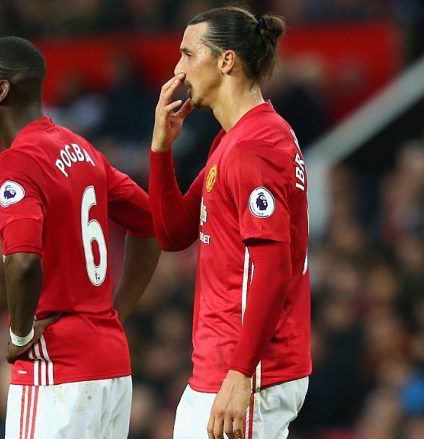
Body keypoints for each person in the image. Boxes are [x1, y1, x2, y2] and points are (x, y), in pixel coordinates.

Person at [0, 36, 160, 438]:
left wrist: (19, 335)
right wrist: (116, 313)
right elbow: (151, 223)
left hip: (56, 368)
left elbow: (23, 261)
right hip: (111, 367)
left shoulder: (16, 162)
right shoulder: (82, 150)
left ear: (1, 91)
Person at [148, 7, 311, 439]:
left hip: (249, 372)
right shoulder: (234, 139)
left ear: (226, 61)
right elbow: (173, 233)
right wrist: (161, 151)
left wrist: (241, 373)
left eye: (188, 54)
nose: (179, 69)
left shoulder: (254, 147)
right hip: (225, 367)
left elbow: (273, 268)